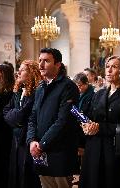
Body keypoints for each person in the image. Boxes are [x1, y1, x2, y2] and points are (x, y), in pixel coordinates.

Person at [26, 48, 80, 188]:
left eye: (46, 61)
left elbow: (63, 121)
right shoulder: (41, 87)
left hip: (60, 151)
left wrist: (42, 145)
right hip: (39, 150)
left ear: (58, 64)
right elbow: (32, 117)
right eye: (40, 60)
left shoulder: (68, 86)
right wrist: (32, 141)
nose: (41, 65)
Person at [79, 55, 120, 188]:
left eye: (114, 67)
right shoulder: (99, 94)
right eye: (107, 67)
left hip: (113, 150)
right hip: (93, 148)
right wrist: (86, 125)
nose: (108, 70)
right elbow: (90, 116)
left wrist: (99, 128)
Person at [3, 60, 43, 188]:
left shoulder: (36, 92)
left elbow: (23, 114)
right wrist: (16, 118)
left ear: (32, 73)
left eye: (23, 69)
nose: (18, 72)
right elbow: (6, 111)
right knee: (16, 173)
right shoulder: (19, 90)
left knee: (26, 177)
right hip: (16, 137)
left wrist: (15, 117)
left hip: (28, 138)